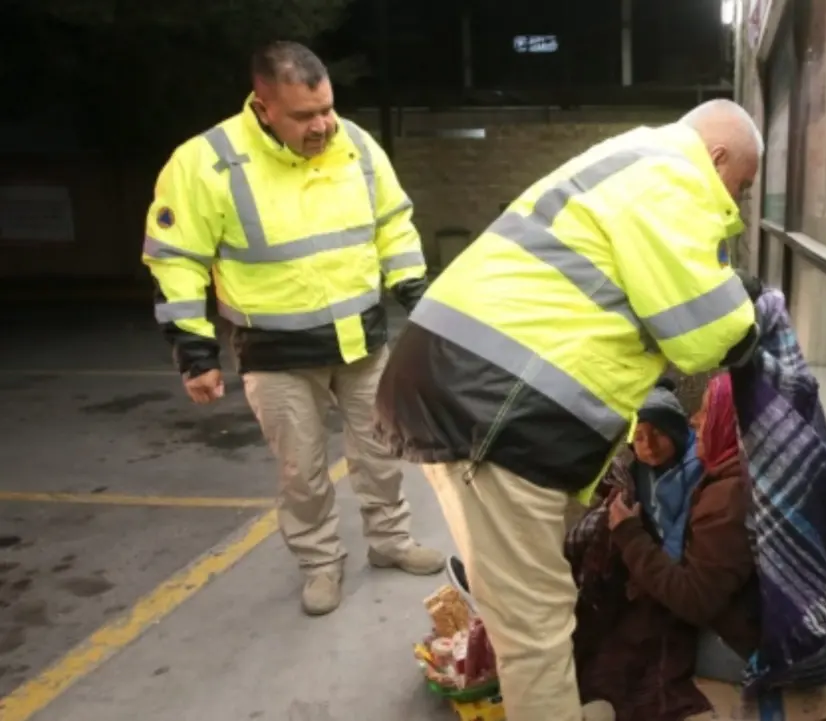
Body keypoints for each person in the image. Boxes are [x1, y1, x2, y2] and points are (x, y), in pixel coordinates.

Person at [376, 99, 765, 721]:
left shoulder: (637, 161)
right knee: (535, 621)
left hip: (476, 392)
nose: (737, 205)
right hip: (491, 410)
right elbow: (703, 336)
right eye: (740, 187)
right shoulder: (675, 178)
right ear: (717, 158)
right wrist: (746, 314)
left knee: (533, 604)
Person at [141, 41, 444, 617]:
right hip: (276, 353)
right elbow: (175, 260)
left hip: (361, 339)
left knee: (382, 453)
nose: (323, 125)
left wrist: (416, 295)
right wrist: (194, 351)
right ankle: (320, 564)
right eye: (305, 116)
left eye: (327, 108)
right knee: (302, 472)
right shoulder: (206, 162)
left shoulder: (355, 144)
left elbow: (393, 224)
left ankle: (391, 541)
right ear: (263, 107)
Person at [568, 375, 758, 721]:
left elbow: (692, 598)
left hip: (724, 631)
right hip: (691, 586)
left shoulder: (725, 494)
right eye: (639, 437)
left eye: (705, 412)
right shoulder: (719, 473)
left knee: (641, 639)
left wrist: (628, 532)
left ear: (728, 425)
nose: (695, 420)